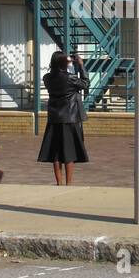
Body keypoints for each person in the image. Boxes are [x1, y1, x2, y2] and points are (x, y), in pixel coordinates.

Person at [37, 50, 89, 185]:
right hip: (69, 118)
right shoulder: (70, 78)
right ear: (63, 63)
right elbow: (85, 84)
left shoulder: (47, 78)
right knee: (69, 152)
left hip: (54, 119)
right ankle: (68, 183)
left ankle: (59, 182)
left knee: (56, 153)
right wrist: (81, 65)